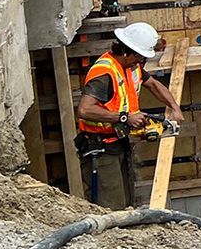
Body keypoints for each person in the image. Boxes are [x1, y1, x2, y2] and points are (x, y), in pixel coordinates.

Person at [74, 22, 182, 208]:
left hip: (118, 143)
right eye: (139, 57)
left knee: (125, 201)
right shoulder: (104, 72)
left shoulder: (131, 67)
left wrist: (174, 107)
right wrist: (125, 117)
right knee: (110, 205)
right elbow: (84, 110)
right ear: (126, 51)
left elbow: (154, 85)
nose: (140, 62)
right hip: (100, 149)